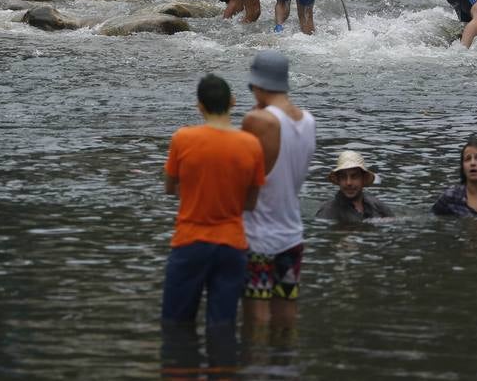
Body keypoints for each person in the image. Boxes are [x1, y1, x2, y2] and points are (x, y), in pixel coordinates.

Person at [162, 74, 266, 331]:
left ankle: (181, 367)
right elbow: (251, 203)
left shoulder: (182, 139)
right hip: (232, 245)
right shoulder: (251, 144)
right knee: (222, 326)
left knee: (176, 324)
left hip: (190, 242)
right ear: (232, 102)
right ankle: (223, 368)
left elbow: (169, 188)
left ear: (200, 106)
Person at [240, 51, 316, 328]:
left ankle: (256, 366)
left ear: (258, 84)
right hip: (292, 234)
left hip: (258, 235)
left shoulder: (258, 121)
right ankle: (284, 365)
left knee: (256, 315)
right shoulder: (308, 120)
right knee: (286, 312)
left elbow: (242, 175)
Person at [315, 150, 392, 222]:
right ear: (338, 180)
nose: (349, 183)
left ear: (363, 179)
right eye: (343, 177)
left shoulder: (377, 206)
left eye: (354, 176)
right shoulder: (327, 212)